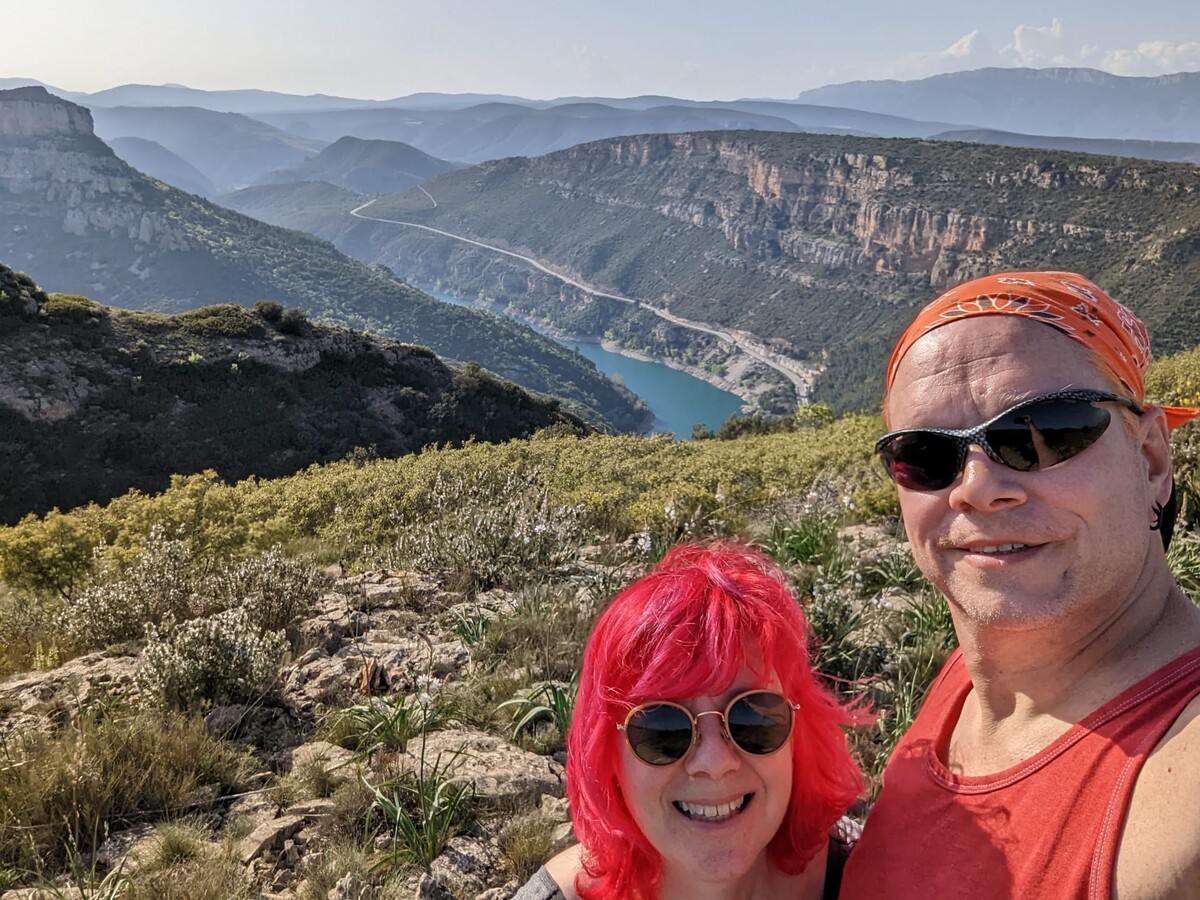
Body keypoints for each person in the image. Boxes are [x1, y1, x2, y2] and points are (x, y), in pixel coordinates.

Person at [840, 271, 1200, 898]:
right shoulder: (978, 677)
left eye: (1043, 433)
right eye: (925, 454)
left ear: (1150, 459)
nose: (977, 488)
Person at [512, 541, 865, 900]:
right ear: (610, 758)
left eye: (752, 717)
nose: (714, 762)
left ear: (796, 740)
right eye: (663, 729)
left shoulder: (871, 872)